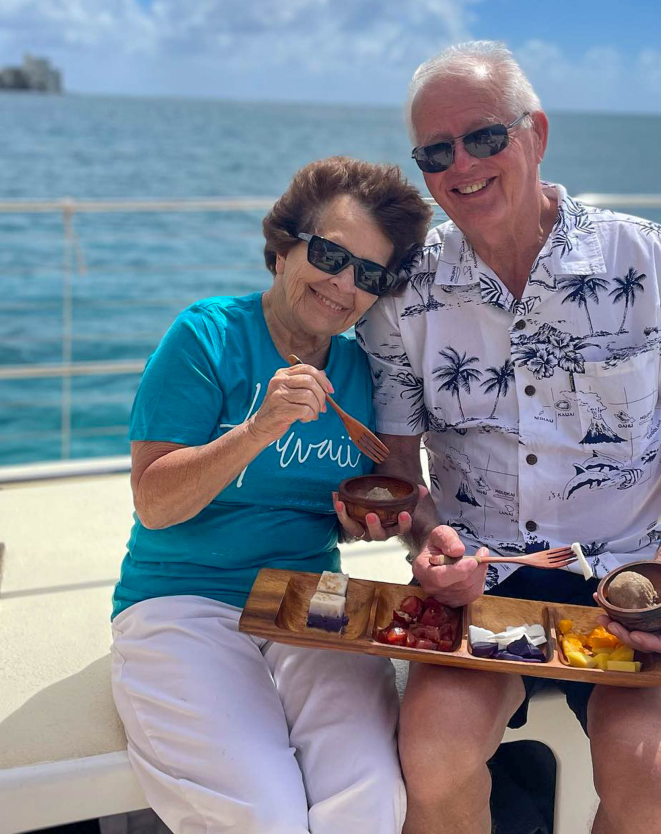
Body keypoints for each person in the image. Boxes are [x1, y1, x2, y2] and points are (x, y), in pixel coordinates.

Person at [351, 41, 661, 834]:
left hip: (626, 579)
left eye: (484, 137)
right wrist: (429, 541)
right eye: (435, 151)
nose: (460, 165)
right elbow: (400, 459)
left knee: (660, 778)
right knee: (430, 754)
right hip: (486, 577)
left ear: (535, 133)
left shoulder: (651, 260)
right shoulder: (403, 294)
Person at [110, 156, 432, 834]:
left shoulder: (357, 371)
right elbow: (154, 505)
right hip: (184, 600)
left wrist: (360, 525)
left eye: (369, 275)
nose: (344, 286)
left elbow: (330, 510)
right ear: (284, 248)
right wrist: (258, 428)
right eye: (330, 255)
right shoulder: (207, 337)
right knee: (263, 815)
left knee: (371, 801)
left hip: (306, 597)